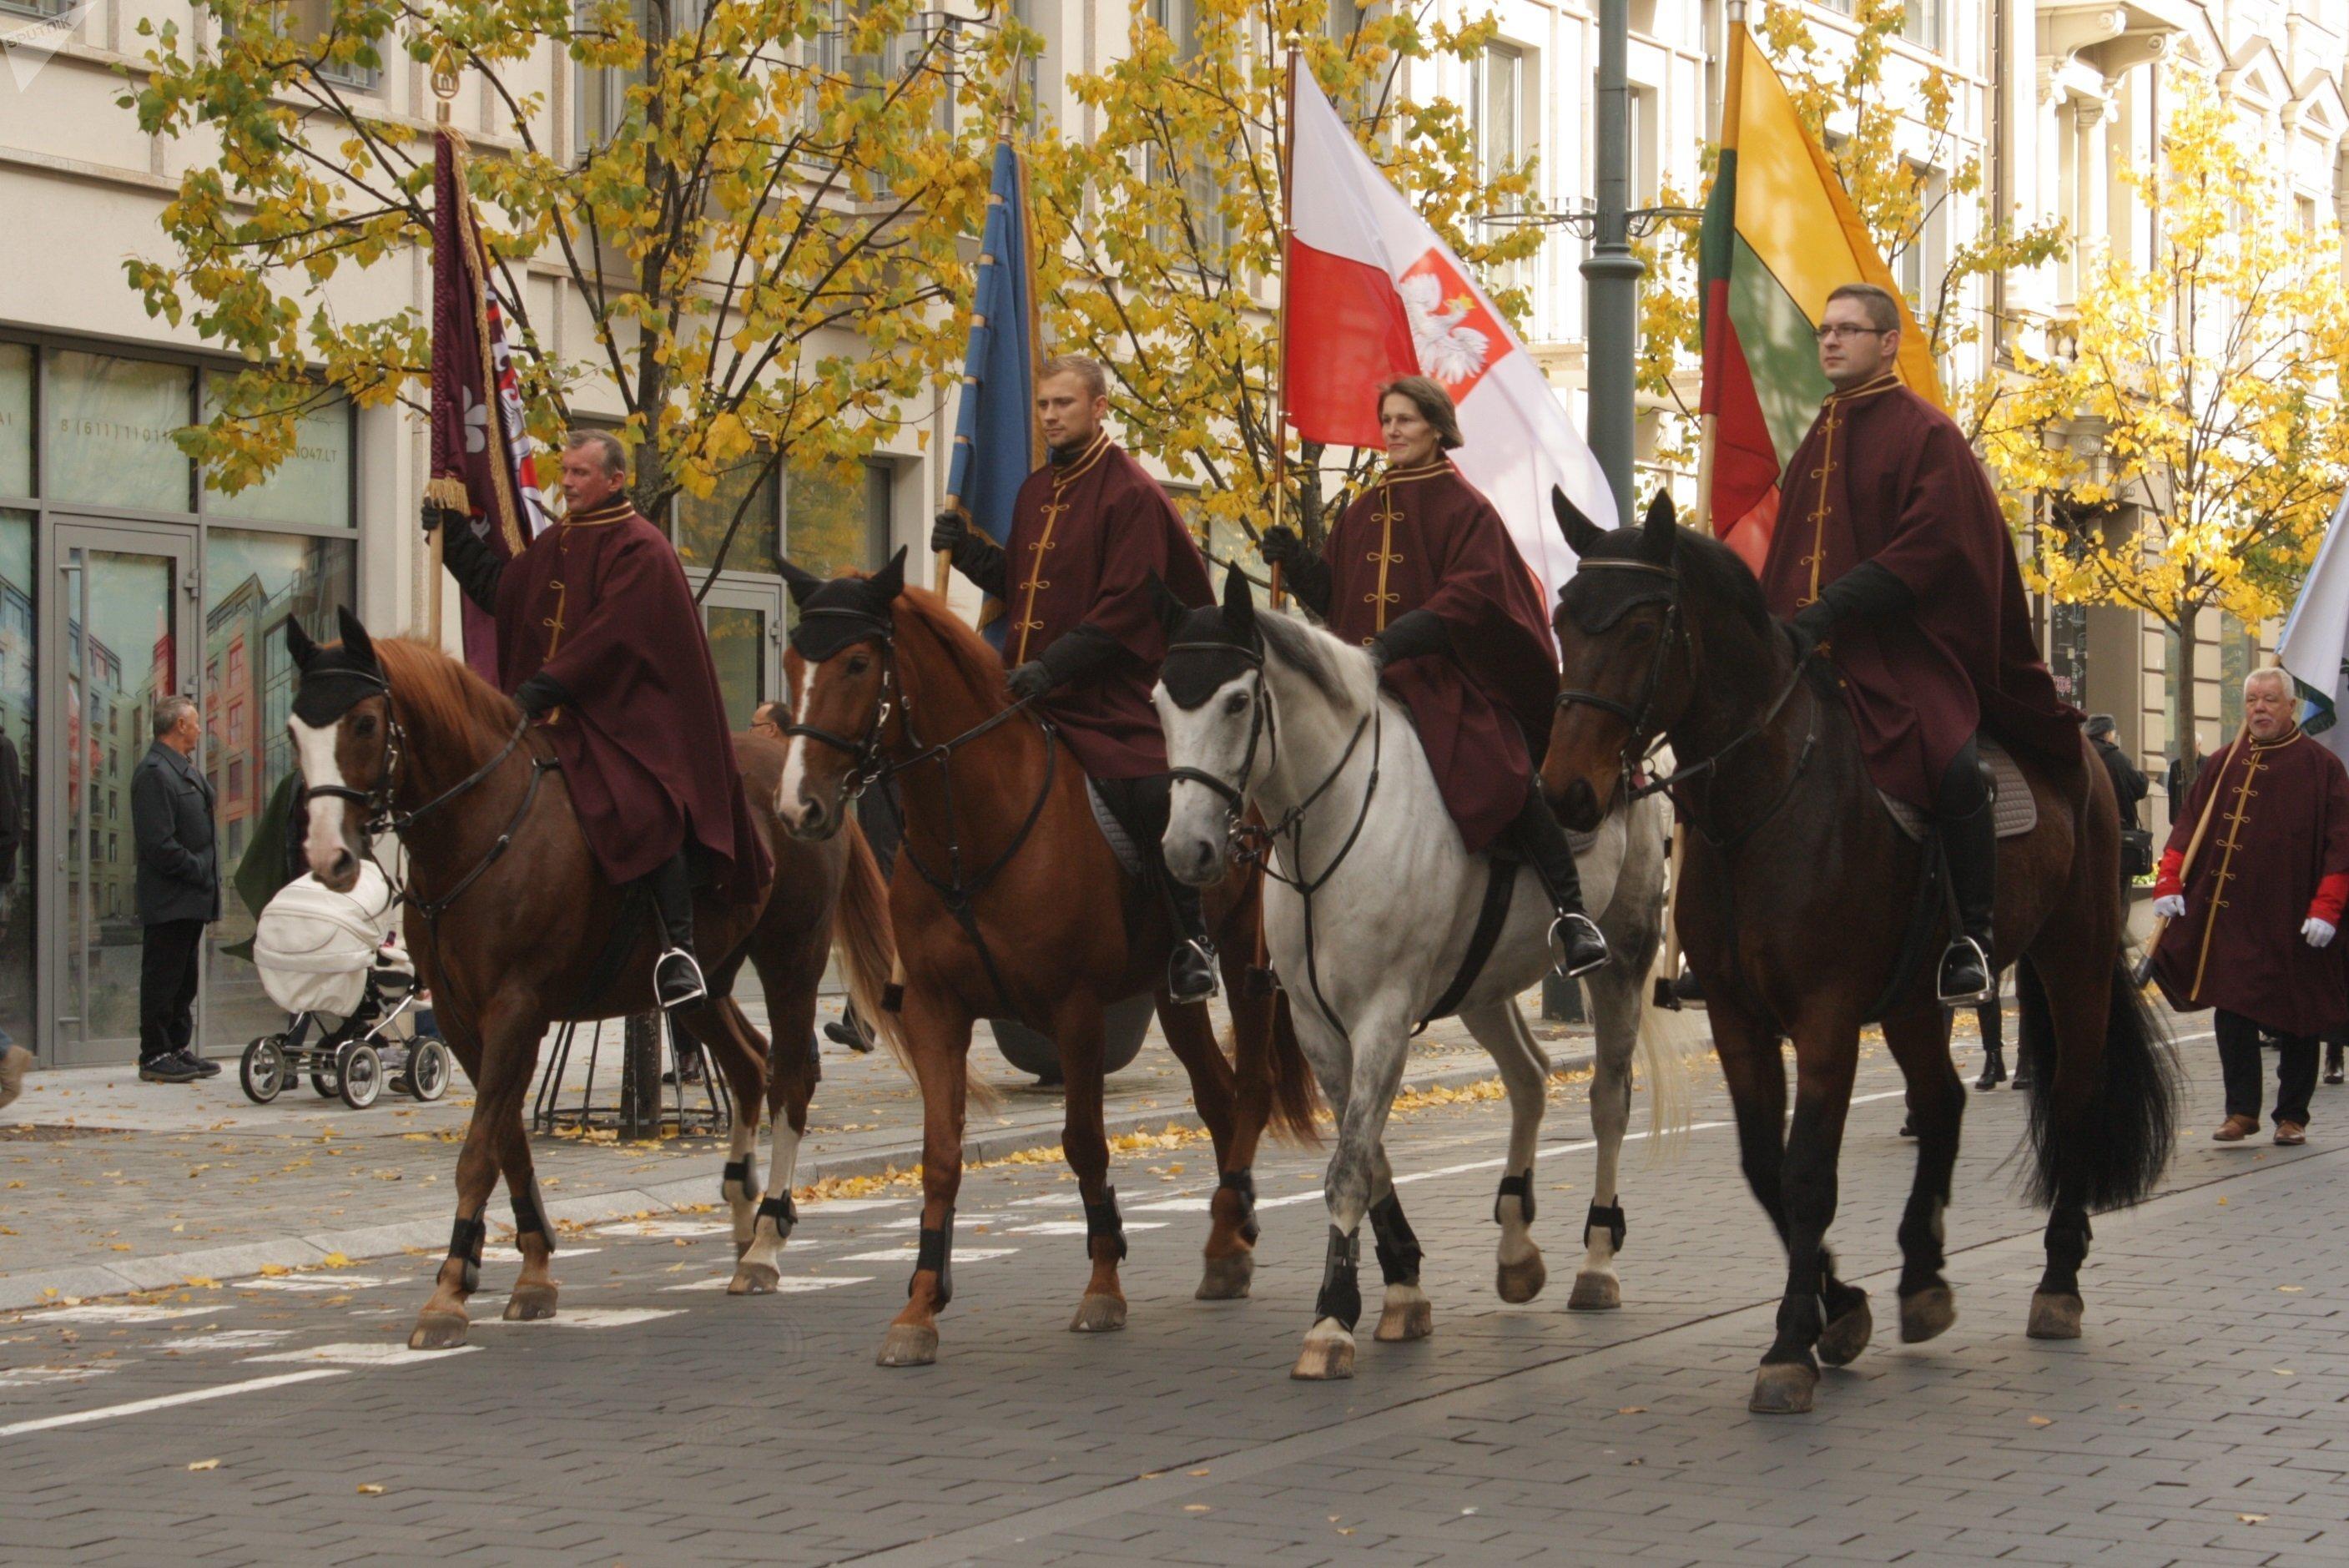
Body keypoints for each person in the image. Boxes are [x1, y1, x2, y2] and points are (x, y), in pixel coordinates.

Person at [1758, 283, 2080, 1005]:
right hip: (1810, 657)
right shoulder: (1817, 432)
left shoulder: (1926, 432)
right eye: (1824, 330)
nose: (1831, 341)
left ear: (1886, 343)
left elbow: (1934, 547)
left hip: (1905, 654)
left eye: (1847, 330)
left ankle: (1973, 935)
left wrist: (1836, 604)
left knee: (1953, 765)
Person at [1258, 376, 1609, 978]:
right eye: (1386, 419)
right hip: (1359, 680)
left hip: (1441, 681)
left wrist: (1393, 644)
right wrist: (1293, 561)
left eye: (1405, 419)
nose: (1392, 430)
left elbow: (1468, 597)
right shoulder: (1365, 506)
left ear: (1437, 427)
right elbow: (1333, 596)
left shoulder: (1465, 506)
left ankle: (1571, 914)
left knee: (1502, 771)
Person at [431, 431, 769, 1012]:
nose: (566, 482)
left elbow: (613, 636)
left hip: (628, 720)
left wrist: (541, 687)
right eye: (563, 471)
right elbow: (503, 591)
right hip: (558, 717)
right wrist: (452, 537)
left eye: (580, 473)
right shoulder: (558, 541)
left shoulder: (644, 547)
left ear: (614, 479)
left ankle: (678, 950)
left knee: (643, 802)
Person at [930, 355, 1221, 1002]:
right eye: (1043, 405)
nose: (1050, 415)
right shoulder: (1036, 490)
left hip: (1109, 696)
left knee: (1153, 794)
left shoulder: (1133, 494)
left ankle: (1190, 940)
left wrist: (1051, 667)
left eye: (1063, 403)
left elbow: (1124, 606)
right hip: (1029, 690)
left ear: (1098, 408)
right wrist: (971, 551)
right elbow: (1030, 586)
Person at [2150, 668, 2349, 1147]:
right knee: (2232, 1009)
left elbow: (2342, 845)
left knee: (2295, 1015)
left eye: (2270, 700)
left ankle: (2292, 1115)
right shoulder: (2222, 763)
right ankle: (2241, 1111)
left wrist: (2327, 908)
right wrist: (2168, 880)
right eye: (2253, 701)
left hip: (2293, 915)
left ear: (2291, 707)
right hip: (2231, 916)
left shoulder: (2323, 768)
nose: (2260, 708)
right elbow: (2188, 826)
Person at [131, 695, 222, 1083]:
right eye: (196, 722)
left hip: (190, 897)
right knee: (162, 977)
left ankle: (177, 1048)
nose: (201, 729)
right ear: (179, 725)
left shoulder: (182, 768)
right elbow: (158, 844)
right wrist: (198, 868)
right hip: (171, 895)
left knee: (183, 979)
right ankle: (154, 1054)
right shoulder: (154, 771)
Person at [2168, 734, 2205, 829]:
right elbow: (2172, 792)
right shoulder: (2175, 766)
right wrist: (2173, 819)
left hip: (2201, 815)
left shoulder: (2208, 763)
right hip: (2182, 814)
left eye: (2192, 744)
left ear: (2199, 745)